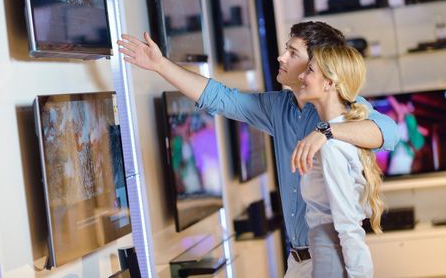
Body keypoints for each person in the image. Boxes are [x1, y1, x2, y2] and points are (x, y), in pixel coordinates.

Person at [118, 21, 398, 277]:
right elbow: (221, 98)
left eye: (292, 53)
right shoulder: (279, 107)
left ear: (319, 65)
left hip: (327, 259)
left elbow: (389, 132)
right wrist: (160, 65)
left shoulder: (339, 107)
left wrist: (326, 131)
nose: (281, 58)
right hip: (297, 260)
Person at [297, 44, 384, 277]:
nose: (301, 76)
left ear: (329, 83)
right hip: (326, 251)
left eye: (310, 70)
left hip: (330, 254)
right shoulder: (337, 134)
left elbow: (348, 227)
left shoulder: (332, 147)